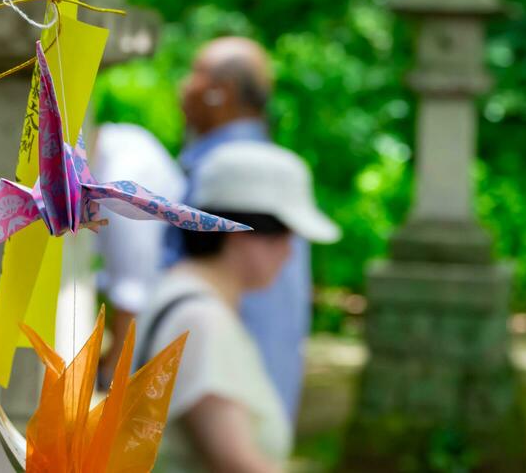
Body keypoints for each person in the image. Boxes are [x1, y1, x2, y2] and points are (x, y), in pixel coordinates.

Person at [136, 141, 341, 473]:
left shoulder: (181, 293)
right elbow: (237, 461)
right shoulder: (201, 320)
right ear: (239, 233)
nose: (288, 254)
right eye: (282, 237)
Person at [161, 36, 311, 421]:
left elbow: (262, 312)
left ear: (219, 93)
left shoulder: (229, 174)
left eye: (195, 74)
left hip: (227, 403)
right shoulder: (265, 167)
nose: (184, 86)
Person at [92, 122, 187, 385]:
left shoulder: (122, 181)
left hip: (171, 312)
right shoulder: (118, 141)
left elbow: (132, 293)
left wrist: (109, 376)